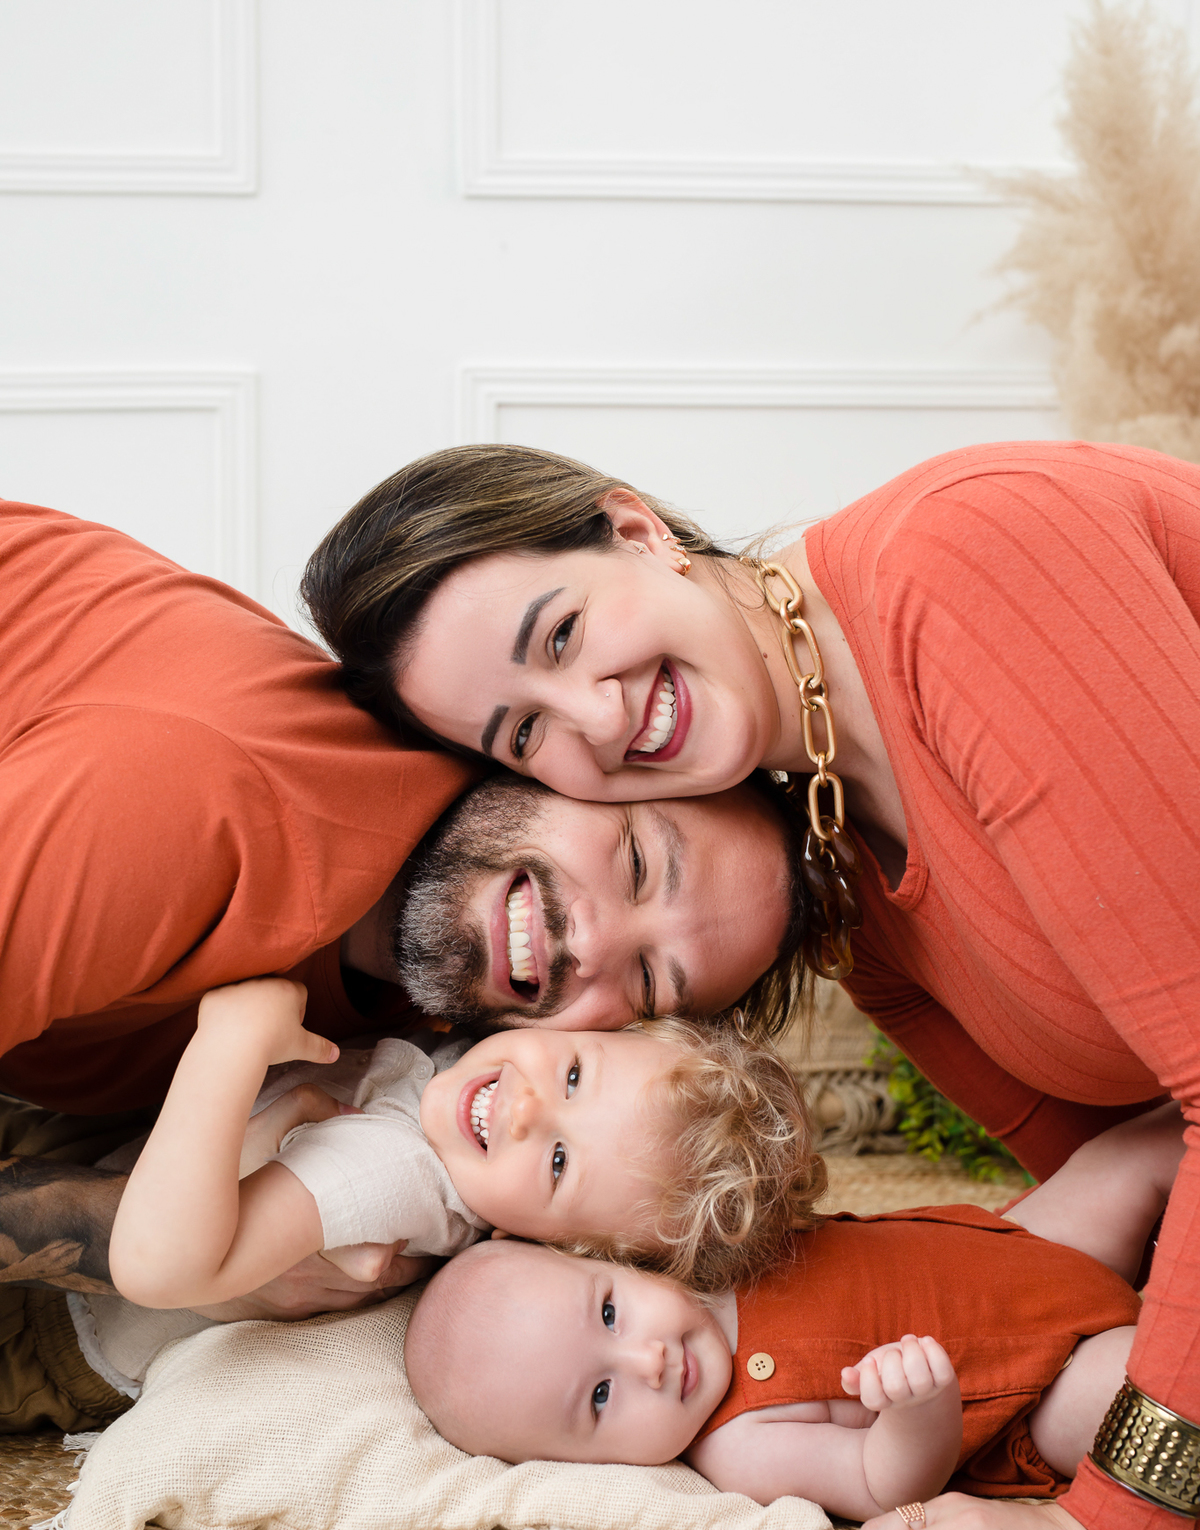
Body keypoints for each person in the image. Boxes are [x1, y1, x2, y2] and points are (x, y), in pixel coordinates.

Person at [302, 437, 1200, 1530]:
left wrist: (1110, 1529)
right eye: (525, 735)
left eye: (562, 634)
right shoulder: (857, 902)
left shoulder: (962, 560)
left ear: (633, 529)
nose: (597, 717)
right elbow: (1134, 1183)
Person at [0, 497, 803, 1313]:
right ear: (567, 759)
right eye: (634, 861)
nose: (587, 943)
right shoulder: (191, 812)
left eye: (647, 983)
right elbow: (161, 1252)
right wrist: (164, 1243)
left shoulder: (433, 1032)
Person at [406, 1106, 1180, 1530]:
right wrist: (915, 1410)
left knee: (1145, 1148)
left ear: (601, 1259)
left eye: (610, 1311)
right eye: (602, 1399)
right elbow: (885, 1484)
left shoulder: (694, 1253)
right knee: (1141, 1380)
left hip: (1021, 1242)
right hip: (1042, 1383)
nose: (648, 1360)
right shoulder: (741, 1445)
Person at [107, 977, 823, 1309]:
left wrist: (227, 1042)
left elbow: (156, 1269)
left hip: (61, 1321)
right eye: (573, 1073)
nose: (527, 1111)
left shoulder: (401, 1170)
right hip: (111, 1129)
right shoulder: (466, 1068)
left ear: (536, 1241)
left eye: (559, 1162)